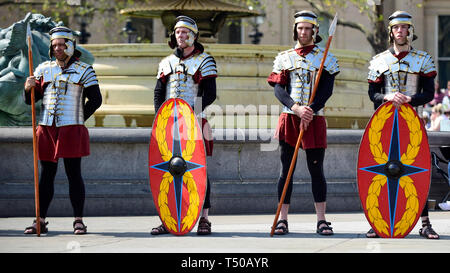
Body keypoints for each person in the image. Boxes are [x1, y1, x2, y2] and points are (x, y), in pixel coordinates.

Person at [23, 26, 102, 235]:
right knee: (46, 175)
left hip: (71, 129)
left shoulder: (85, 70)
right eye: (55, 44)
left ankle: (78, 220)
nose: (58, 48)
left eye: (61, 44)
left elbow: (96, 100)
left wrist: (78, 118)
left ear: (70, 45)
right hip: (47, 127)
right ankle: (39, 220)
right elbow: (31, 101)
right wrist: (28, 88)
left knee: (73, 174)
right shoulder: (43, 69)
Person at [367, 10, 439, 239]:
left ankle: (425, 222)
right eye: (396, 28)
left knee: (418, 171)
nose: (400, 31)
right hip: (385, 124)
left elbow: (428, 93)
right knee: (382, 172)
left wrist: (410, 99)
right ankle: (378, 221)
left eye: (404, 28)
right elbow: (372, 94)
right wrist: (387, 97)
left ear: (410, 31)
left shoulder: (423, 60)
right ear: (391, 32)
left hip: (413, 123)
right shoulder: (379, 61)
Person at [267, 10, 340, 235]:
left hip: (314, 119)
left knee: (316, 170)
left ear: (315, 31)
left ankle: (321, 219)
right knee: (285, 170)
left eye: (308, 28)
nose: (304, 32)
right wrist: (296, 108)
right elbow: (279, 89)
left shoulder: (325, 57)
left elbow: (327, 90)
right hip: (290, 117)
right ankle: (282, 219)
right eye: (300, 28)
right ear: (295, 30)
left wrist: (310, 109)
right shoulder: (284, 57)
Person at [151, 15, 217, 236]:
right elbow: (159, 93)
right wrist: (161, 118)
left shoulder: (205, 61)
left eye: (186, 32)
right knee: (168, 171)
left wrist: (190, 113)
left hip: (195, 122)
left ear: (194, 36)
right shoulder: (166, 62)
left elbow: (210, 94)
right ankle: (167, 219)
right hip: (169, 126)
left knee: (199, 171)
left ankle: (204, 219)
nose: (182, 35)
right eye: (178, 32)